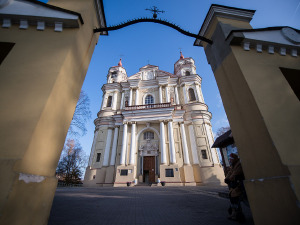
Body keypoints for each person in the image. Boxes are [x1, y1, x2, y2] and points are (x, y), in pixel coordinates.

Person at [224, 153, 246, 221]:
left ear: (234, 159)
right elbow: (230, 172)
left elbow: (236, 173)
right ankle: (234, 213)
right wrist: (226, 178)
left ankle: (237, 214)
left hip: (238, 185)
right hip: (233, 185)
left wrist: (230, 178)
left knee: (235, 198)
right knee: (232, 198)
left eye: (231, 159)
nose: (230, 160)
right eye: (229, 159)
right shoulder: (233, 165)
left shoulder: (238, 164)